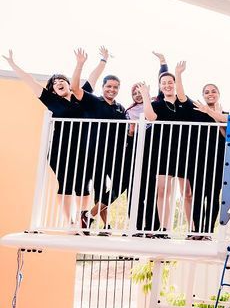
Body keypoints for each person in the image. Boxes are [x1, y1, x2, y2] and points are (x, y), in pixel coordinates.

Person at [4, 49, 90, 227]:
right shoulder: (51, 100)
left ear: (68, 84)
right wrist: (12, 64)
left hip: (83, 149)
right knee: (65, 183)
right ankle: (69, 222)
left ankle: (82, 221)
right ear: (52, 89)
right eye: (55, 82)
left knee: (83, 185)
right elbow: (29, 80)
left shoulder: (81, 98)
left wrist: (83, 63)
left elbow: (93, 79)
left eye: (62, 81)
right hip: (61, 149)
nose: (59, 83)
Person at [72, 46, 130, 234]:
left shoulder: (121, 109)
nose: (112, 89)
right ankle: (103, 225)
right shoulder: (93, 101)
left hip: (116, 155)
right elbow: (75, 88)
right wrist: (81, 64)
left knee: (121, 184)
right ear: (103, 87)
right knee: (99, 188)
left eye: (115, 87)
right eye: (108, 86)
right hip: (95, 152)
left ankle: (89, 216)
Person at [140, 61, 195, 236]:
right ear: (160, 87)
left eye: (170, 82)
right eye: (164, 83)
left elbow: (181, 92)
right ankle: (164, 228)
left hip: (183, 152)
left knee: (186, 192)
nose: (167, 85)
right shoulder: (156, 104)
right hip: (163, 152)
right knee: (163, 190)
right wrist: (146, 96)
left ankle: (193, 229)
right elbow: (150, 117)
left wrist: (178, 74)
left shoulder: (184, 102)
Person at [182, 74, 229, 238]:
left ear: (218, 94)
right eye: (207, 92)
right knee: (198, 196)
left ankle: (208, 230)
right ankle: (196, 231)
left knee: (213, 195)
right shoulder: (195, 111)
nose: (210, 94)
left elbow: (226, 134)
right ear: (203, 95)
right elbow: (180, 98)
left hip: (217, 160)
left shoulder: (225, 114)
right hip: (197, 160)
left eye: (213, 91)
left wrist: (214, 114)